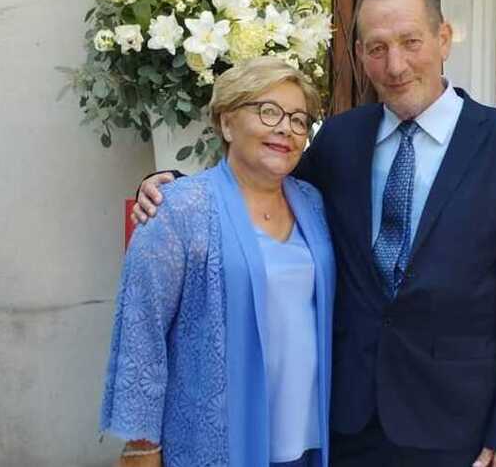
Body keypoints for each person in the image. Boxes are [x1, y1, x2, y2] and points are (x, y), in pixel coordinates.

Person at [134, 0, 496, 467]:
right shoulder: (339, 139)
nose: (395, 65)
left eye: (411, 42)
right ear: (359, 56)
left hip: (456, 423)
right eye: (377, 48)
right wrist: (177, 187)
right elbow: (264, 191)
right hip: (347, 417)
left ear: (443, 39)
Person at [101, 56, 336, 467]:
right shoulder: (178, 208)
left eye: (299, 120)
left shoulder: (312, 203)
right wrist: (142, 445)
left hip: (306, 438)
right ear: (227, 123)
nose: (286, 128)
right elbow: (141, 329)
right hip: (216, 442)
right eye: (268, 111)